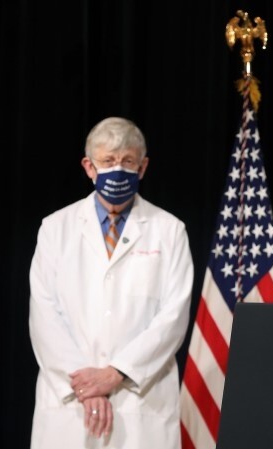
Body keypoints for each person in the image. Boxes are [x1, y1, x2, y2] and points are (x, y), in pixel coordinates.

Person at [28, 117, 194, 448]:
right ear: (89, 167)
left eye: (127, 162)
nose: (118, 170)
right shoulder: (55, 228)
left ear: (143, 167)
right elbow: (44, 314)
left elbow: (173, 317)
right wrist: (87, 386)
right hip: (70, 402)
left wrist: (115, 373)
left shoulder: (170, 230)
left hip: (139, 401)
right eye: (108, 161)